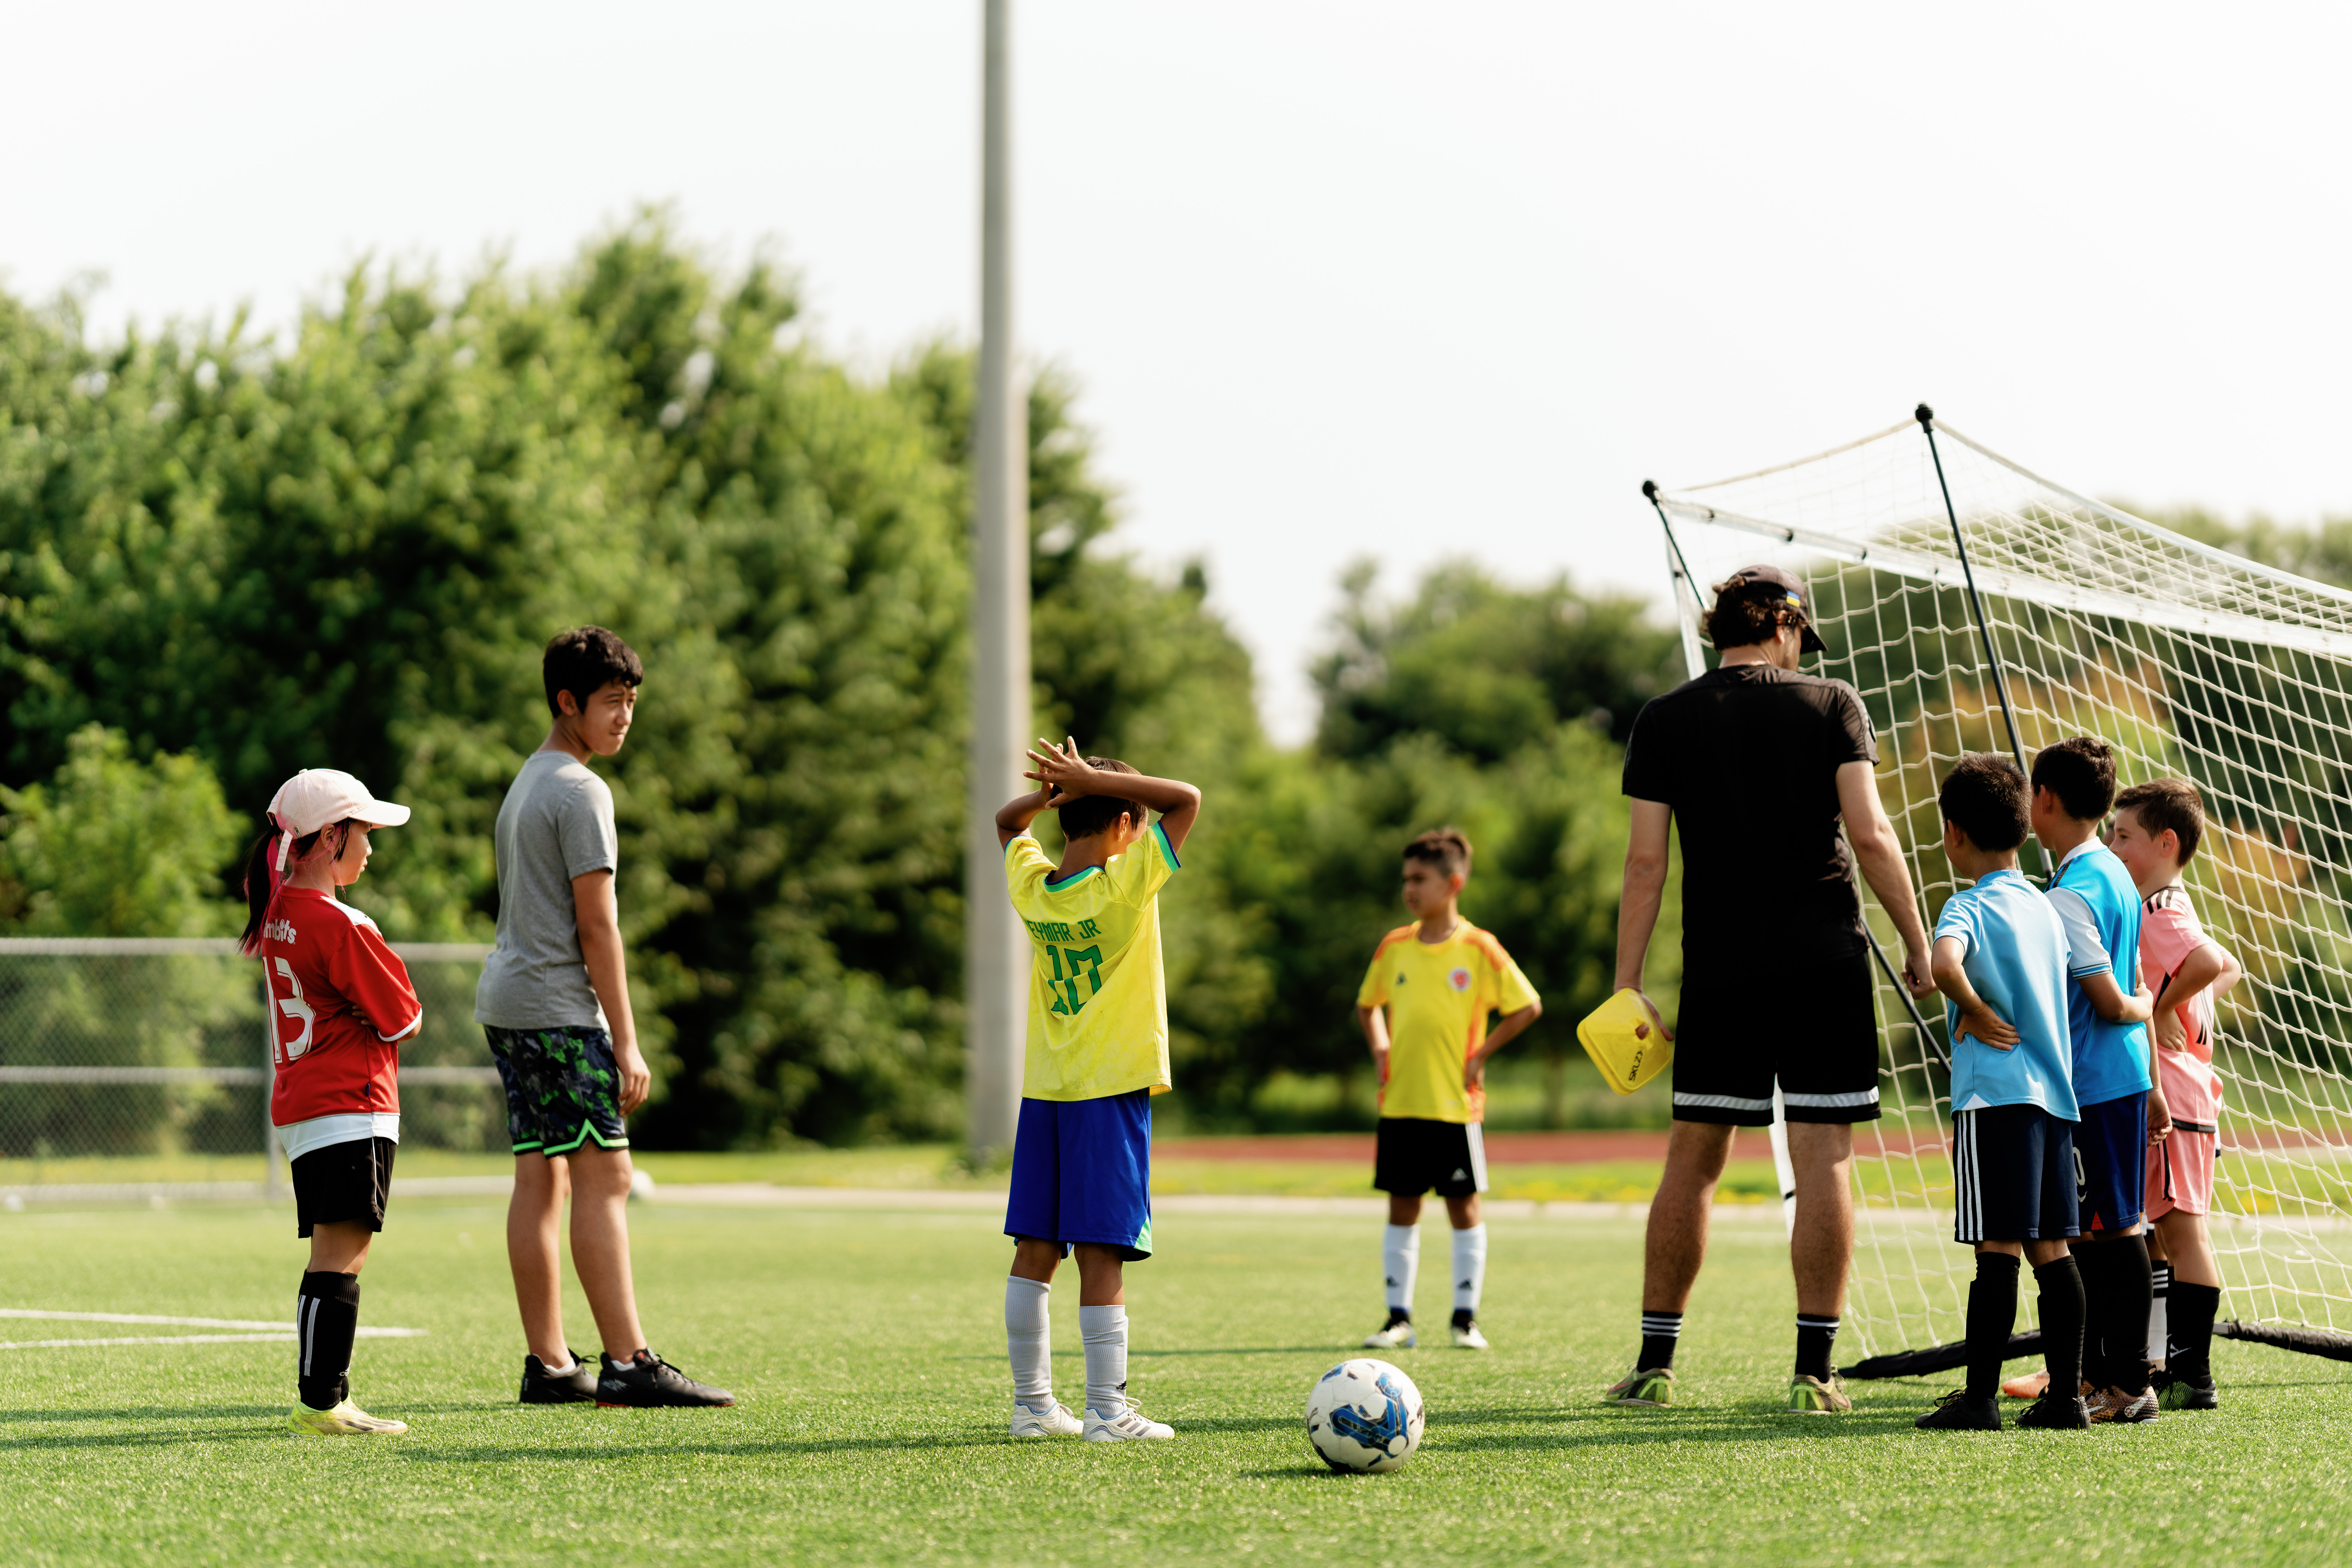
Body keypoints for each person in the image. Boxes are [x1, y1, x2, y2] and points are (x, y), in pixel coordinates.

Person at [1608, 564, 1935, 1414]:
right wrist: (1917, 939)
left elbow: (1646, 863)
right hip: (1825, 959)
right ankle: (1814, 1371)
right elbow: (1870, 834)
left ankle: (1653, 1363)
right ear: (1786, 627)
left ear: (1721, 628)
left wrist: (1626, 986)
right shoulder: (1832, 702)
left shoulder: (1664, 718)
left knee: (1694, 1159)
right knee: (1823, 1155)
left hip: (1720, 969)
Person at [474, 627, 733, 1409]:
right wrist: (626, 1039)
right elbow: (599, 926)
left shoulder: (530, 777)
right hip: (557, 1009)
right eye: (612, 703)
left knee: (541, 1175)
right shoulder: (582, 790)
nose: (625, 718)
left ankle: (550, 1364)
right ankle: (627, 1362)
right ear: (567, 703)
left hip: (509, 1002)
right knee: (606, 1173)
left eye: (630, 702)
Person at [994, 737, 1200, 1442]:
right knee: (1104, 1248)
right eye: (1138, 822)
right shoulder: (1126, 883)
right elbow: (1189, 800)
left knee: (1036, 1247)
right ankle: (1108, 1412)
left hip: (1046, 1090)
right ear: (1123, 827)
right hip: (1109, 1088)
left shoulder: (1033, 888)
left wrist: (1052, 795)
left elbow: (1006, 824)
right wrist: (1084, 779)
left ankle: (1031, 1407)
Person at [1912, 754, 2092, 1432]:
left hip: (1994, 1098)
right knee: (2054, 1247)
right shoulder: (2046, 907)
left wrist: (1972, 1007)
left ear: (1953, 832)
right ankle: (2068, 1397)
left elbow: (1944, 962)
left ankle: (1981, 1397)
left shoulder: (1967, 903)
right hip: (2053, 1099)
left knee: (1996, 1246)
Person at [242, 768, 422, 1437]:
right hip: (352, 1101)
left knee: (331, 1250)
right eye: (364, 832)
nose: (371, 847)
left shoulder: (278, 910)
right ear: (328, 839)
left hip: (305, 1102)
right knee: (341, 1255)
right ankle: (322, 1401)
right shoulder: (341, 922)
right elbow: (405, 1017)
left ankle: (326, 1394)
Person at [1355, 829, 1541, 1353]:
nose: (1408, 888)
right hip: (1401, 1101)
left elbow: (1527, 1005)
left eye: (1419, 879)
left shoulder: (1479, 948)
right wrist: (1380, 1048)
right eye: (1405, 879)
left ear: (1452, 882)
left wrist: (1480, 1055)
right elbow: (1367, 1005)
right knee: (1402, 1206)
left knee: (1463, 1208)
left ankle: (1465, 1320)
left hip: (1456, 1107)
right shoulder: (1394, 945)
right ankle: (1398, 1320)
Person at [2027, 738, 2160, 1422]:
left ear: (2045, 799)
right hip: (2122, 1076)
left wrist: (2141, 1008)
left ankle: (2130, 1383)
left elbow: (2113, 999)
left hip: (2096, 1081)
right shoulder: (2113, 871)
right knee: (2100, 1228)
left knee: (2112, 1229)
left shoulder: (2075, 889)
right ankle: (2098, 1377)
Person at [2109, 778, 2241, 1411]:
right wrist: (2183, 1002)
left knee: (2179, 1235)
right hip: (2194, 1095)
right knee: (2163, 1235)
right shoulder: (2171, 904)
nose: (2113, 845)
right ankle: (2164, 1362)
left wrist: (2162, 1005)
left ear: (2166, 843)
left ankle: (2196, 1375)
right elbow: (2228, 968)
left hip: (2176, 1097)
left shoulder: (2159, 908)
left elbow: (2213, 960)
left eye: (2123, 835)